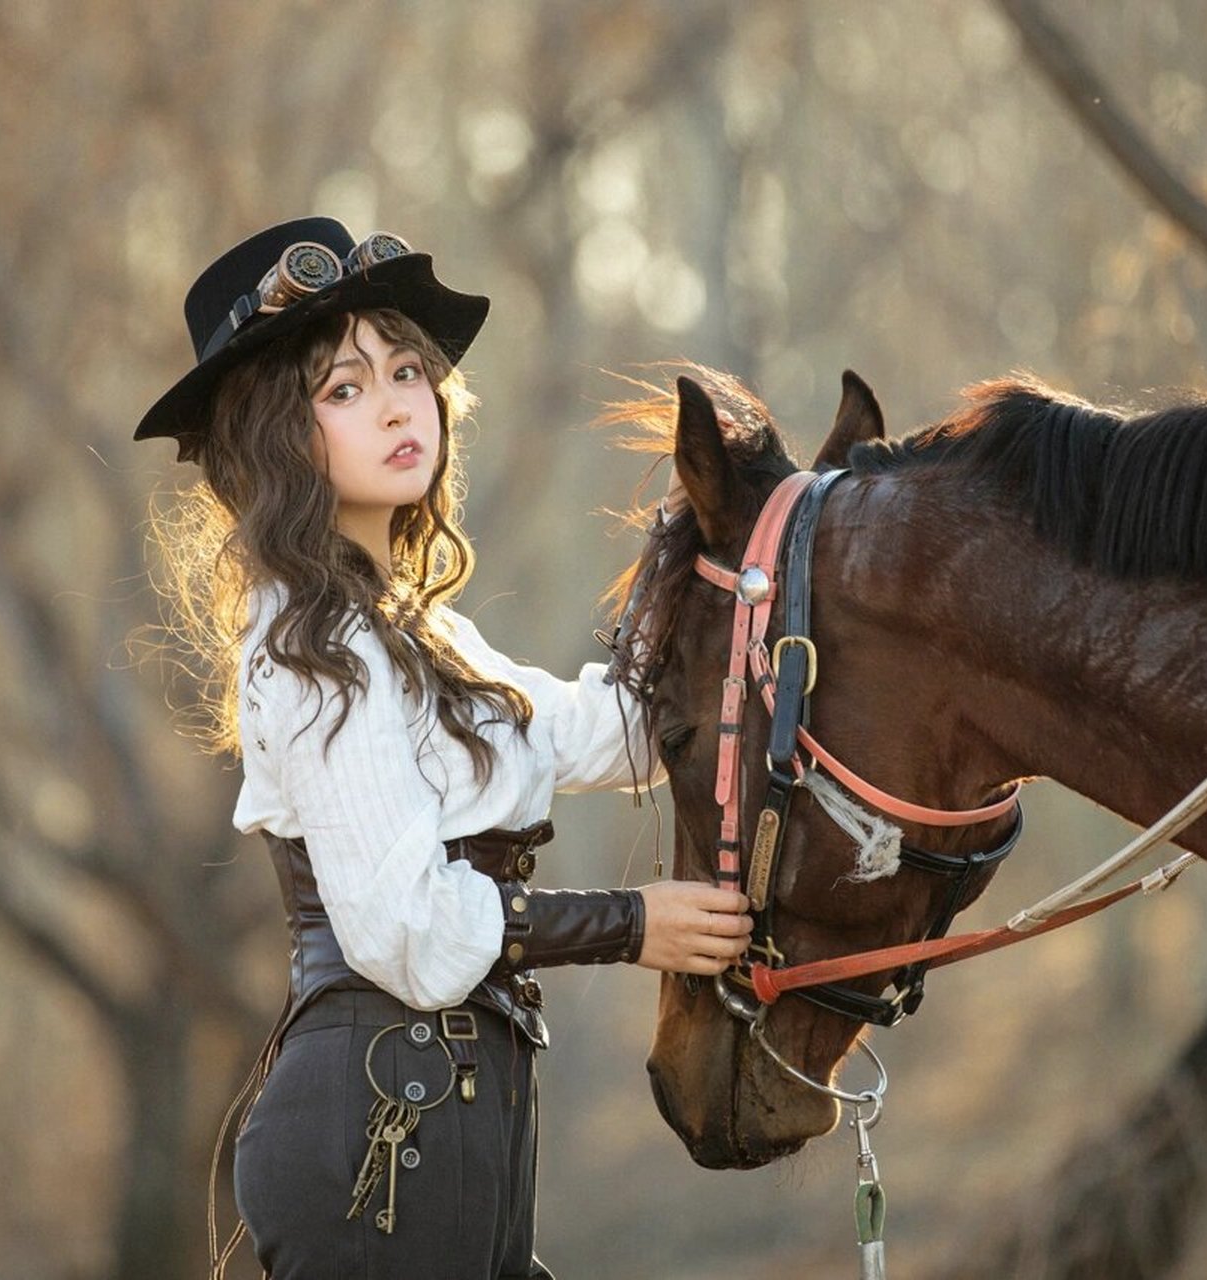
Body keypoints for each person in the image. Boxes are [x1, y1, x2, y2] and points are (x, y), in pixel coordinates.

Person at [136, 217, 752, 1279]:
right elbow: (409, 929)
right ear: (277, 437)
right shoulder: (311, 646)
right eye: (340, 388)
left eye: (406, 370)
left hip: (444, 1118)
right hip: (380, 1121)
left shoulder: (420, 633)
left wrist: (722, 565)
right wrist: (631, 924)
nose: (392, 401)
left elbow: (617, 731)